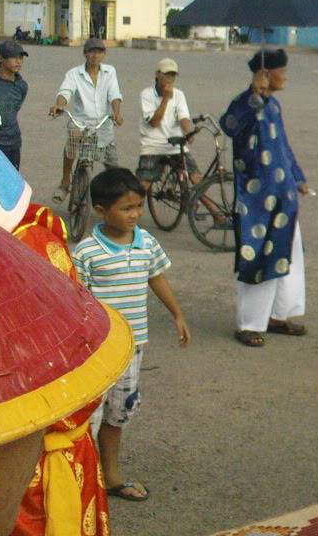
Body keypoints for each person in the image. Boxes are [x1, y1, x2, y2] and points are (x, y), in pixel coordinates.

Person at [71, 168, 191, 503]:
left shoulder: (146, 242)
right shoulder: (87, 251)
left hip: (133, 349)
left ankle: (110, 477)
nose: (135, 214)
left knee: (118, 414)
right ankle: (83, 484)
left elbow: (156, 278)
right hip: (96, 352)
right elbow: (77, 300)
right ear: (101, 210)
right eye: (127, 208)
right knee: (88, 419)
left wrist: (177, 314)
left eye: (139, 206)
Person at [221, 48, 311, 347]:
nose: (285, 76)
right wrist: (251, 95)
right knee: (257, 258)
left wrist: (297, 178)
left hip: (284, 197)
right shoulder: (245, 103)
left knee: (289, 257)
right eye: (281, 71)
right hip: (256, 203)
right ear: (266, 73)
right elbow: (229, 125)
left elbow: (283, 145)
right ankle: (249, 324)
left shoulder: (274, 106)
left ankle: (278, 316)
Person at [48, 37, 124, 203]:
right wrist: (59, 105)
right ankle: (65, 182)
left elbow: (114, 94)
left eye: (99, 51)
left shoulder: (110, 72)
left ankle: (115, 200)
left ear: (104, 54)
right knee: (72, 142)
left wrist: (116, 113)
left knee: (113, 168)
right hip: (81, 123)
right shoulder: (74, 74)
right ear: (85, 53)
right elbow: (65, 92)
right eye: (92, 51)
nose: (95, 55)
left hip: (103, 124)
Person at [136, 57, 201, 190]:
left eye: (173, 75)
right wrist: (165, 98)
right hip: (153, 146)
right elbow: (154, 122)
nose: (170, 79)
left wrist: (188, 133)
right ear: (157, 74)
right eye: (167, 74)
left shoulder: (179, 94)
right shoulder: (146, 94)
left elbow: (183, 117)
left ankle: (214, 211)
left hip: (176, 145)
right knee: (143, 186)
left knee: (197, 179)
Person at [0, 39, 29, 169]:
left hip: (13, 143)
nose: (18, 61)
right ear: (0, 58)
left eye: (20, 57)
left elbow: (15, 109)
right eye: (13, 57)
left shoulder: (21, 86)